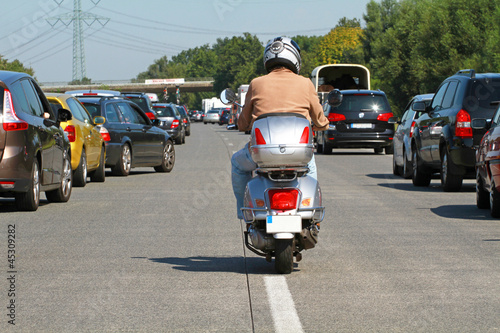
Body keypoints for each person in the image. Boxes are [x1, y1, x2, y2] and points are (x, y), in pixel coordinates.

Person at [231, 36, 330, 219]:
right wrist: (321, 124)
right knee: (310, 168)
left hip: (262, 154)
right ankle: (312, 214)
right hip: (298, 155)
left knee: (237, 163)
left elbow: (242, 124)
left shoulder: (256, 83)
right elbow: (321, 121)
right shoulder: (306, 83)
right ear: (295, 59)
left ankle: (244, 213)